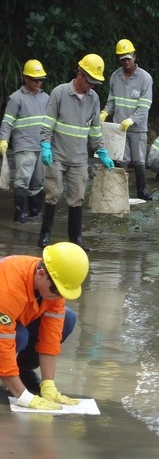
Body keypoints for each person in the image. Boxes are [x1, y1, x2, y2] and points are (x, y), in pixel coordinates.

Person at [38, 54, 115, 251]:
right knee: (53, 193)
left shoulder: (94, 99)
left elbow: (95, 129)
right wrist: (45, 145)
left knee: (77, 196)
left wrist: (102, 151)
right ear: (79, 74)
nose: (91, 86)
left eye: (94, 83)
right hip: (56, 154)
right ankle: (45, 236)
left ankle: (76, 240)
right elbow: (48, 124)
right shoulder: (60, 93)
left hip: (79, 158)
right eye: (89, 81)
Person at [0, 242, 89, 410]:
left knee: (67, 318)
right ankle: (10, 379)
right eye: (56, 291)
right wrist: (23, 397)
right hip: (3, 322)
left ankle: (22, 370)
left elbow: (51, 336)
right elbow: (2, 343)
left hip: (11, 320)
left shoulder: (55, 280)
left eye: (62, 292)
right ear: (41, 274)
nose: (58, 297)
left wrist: (48, 384)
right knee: (18, 336)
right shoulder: (8, 287)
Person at [100, 39, 154, 200]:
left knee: (138, 160)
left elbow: (145, 105)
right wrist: (104, 112)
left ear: (134, 56)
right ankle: (120, 192)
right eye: (122, 58)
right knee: (121, 159)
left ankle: (141, 191)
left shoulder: (145, 78)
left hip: (137, 127)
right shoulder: (115, 77)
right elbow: (112, 101)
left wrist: (132, 120)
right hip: (118, 127)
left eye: (128, 58)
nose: (125, 61)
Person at [0, 60, 49, 223]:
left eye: (40, 80)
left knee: (38, 182)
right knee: (23, 179)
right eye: (35, 79)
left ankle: (35, 212)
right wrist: (3, 140)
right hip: (24, 146)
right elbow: (7, 122)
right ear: (26, 78)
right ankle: (19, 214)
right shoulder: (16, 98)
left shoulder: (46, 98)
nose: (38, 83)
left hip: (41, 146)